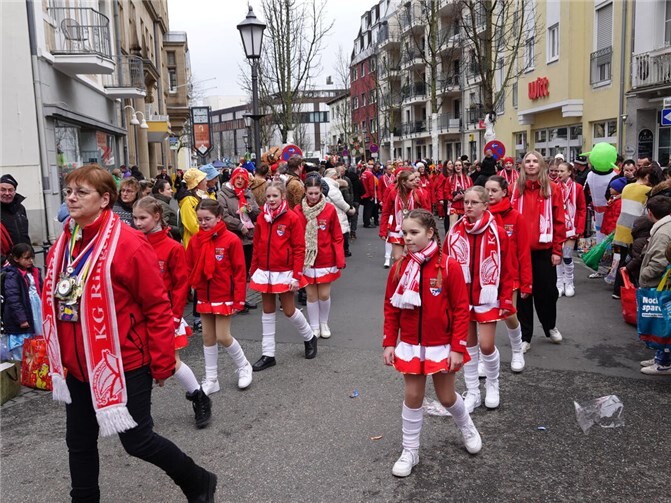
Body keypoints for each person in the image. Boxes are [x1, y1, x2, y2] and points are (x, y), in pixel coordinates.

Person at [42, 165, 216, 502]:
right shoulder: (66, 241)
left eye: (81, 192)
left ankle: (198, 481)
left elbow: (157, 306)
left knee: (138, 441)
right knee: (78, 441)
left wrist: (163, 362)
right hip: (77, 364)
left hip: (124, 361)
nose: (71, 198)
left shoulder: (129, 243)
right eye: (69, 192)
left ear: (104, 199)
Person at [383, 209, 481, 478]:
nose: (407, 238)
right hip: (411, 344)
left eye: (413, 232)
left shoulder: (449, 266)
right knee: (413, 396)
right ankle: (410, 450)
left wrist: (458, 347)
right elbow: (391, 307)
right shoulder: (400, 267)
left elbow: (461, 310)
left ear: (429, 233)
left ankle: (467, 426)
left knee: (446, 397)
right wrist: (390, 342)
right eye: (404, 233)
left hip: (442, 345)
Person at [132, 197, 211, 428]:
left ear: (157, 217)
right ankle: (141, 414)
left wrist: (175, 316)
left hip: (164, 314)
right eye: (135, 218)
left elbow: (181, 285)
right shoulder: (133, 244)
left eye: (143, 218)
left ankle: (199, 396)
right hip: (138, 315)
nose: (138, 223)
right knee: (139, 364)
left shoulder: (173, 248)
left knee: (171, 362)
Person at [446, 186, 514, 412]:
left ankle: (493, 384)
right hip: (462, 297)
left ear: (486, 205)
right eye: (466, 202)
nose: (468, 206)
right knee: (467, 346)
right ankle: (473, 391)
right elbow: (445, 265)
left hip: (487, 296)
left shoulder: (498, 233)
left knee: (486, 345)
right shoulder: (455, 231)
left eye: (474, 202)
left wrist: (505, 299)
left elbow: (507, 268)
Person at [248, 182, 318, 371]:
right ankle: (268, 354)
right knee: (267, 311)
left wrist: (296, 275)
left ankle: (309, 337)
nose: (271, 200)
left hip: (284, 272)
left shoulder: (292, 218)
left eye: (275, 196)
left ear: (283, 197)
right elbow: (257, 245)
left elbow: (299, 248)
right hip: (265, 271)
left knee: (288, 310)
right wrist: (253, 269)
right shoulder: (262, 218)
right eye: (268, 196)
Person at [186, 199, 254, 391]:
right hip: (203, 295)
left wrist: (239, 299)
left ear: (219, 217)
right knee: (207, 337)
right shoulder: (195, 240)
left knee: (223, 336)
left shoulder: (231, 240)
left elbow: (239, 272)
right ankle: (212, 379)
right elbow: (188, 267)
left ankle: (244, 366)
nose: (203, 223)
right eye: (200, 219)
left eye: (207, 219)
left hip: (224, 295)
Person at [511, 151, 566, 353]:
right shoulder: (514, 189)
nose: (531, 164)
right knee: (524, 296)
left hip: (544, 250)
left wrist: (557, 250)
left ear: (542, 165)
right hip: (519, 252)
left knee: (548, 293)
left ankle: (549, 326)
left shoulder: (553, 189)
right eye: (528, 161)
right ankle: (525, 336)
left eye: (535, 161)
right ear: (522, 165)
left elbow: (559, 220)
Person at [485, 176, 532, 373]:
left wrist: (526, 283)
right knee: (485, 317)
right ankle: (484, 358)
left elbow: (523, 252)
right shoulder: (480, 216)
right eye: (487, 190)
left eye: (494, 190)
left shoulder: (515, 217)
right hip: (486, 277)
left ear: (504, 192)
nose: (489, 194)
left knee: (509, 314)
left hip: (509, 276)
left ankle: (517, 350)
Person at [295, 176, 345, 339]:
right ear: (305, 191)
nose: (313, 196)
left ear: (321, 191)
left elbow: (337, 235)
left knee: (323, 294)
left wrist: (339, 258)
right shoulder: (297, 210)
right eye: (310, 193)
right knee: (311, 295)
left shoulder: (329, 209)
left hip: (326, 257)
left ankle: (324, 323)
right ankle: (314, 326)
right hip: (306, 259)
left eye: (316, 193)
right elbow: (294, 236)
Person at [638, 194, 671, 376]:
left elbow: (659, 261)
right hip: (662, 283)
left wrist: (645, 275)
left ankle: (663, 361)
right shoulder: (664, 227)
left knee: (662, 323)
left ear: (650, 212)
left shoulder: (662, 232)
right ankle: (660, 356)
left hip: (660, 285)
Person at [612, 165, 657, 296]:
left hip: (621, 227)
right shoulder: (648, 191)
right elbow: (646, 212)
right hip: (635, 229)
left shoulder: (626, 187)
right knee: (632, 262)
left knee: (622, 259)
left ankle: (618, 290)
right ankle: (627, 291)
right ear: (647, 177)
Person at [1, 243, 42, 361]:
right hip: (25, 310)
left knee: (38, 339)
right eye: (26, 258)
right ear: (16, 258)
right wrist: (21, 319)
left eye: (31, 258)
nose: (30, 261)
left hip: (36, 307)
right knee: (23, 343)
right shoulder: (12, 275)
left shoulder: (34, 272)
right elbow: (13, 298)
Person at [556, 161, 586, 297]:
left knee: (567, 255)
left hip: (571, 227)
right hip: (557, 226)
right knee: (557, 256)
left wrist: (580, 228)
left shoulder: (577, 188)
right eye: (558, 171)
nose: (559, 173)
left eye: (562, 171)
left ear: (569, 172)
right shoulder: (554, 187)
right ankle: (559, 283)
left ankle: (569, 282)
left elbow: (582, 208)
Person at [380, 169, 421, 266]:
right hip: (397, 228)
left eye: (415, 179)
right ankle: (398, 275)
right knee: (397, 258)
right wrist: (383, 230)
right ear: (403, 182)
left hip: (413, 229)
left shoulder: (418, 193)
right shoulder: (393, 193)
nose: (414, 182)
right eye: (411, 180)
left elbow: (426, 212)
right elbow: (385, 212)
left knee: (409, 257)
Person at [179, 168, 215, 250]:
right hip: (195, 245)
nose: (206, 181)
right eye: (204, 180)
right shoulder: (188, 202)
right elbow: (193, 227)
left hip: (206, 242)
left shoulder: (204, 196)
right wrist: (211, 233)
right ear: (198, 183)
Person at [323, 168, 355, 258]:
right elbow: (339, 200)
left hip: (331, 210)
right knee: (342, 230)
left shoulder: (325, 184)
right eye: (335, 175)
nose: (337, 177)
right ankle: (344, 250)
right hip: (337, 211)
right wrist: (348, 208)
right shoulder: (331, 186)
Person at [0, 174, 30, 245]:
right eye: (3, 190)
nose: (7, 193)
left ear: (14, 192)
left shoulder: (20, 208)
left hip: (24, 251)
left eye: (10, 190)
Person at [446, 159, 473, 229]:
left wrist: (465, 196)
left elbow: (472, 191)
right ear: (454, 167)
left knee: (466, 227)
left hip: (466, 206)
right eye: (456, 165)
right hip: (454, 205)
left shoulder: (468, 179)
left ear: (462, 167)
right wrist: (453, 198)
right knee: (452, 227)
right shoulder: (449, 179)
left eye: (459, 165)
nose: (458, 167)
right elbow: (446, 192)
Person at [360, 161, 380, 228]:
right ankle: (367, 223)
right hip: (369, 194)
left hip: (364, 193)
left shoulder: (363, 173)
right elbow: (371, 187)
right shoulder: (370, 175)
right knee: (368, 209)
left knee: (366, 209)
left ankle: (365, 221)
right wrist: (372, 196)